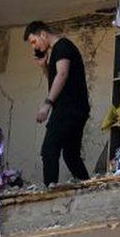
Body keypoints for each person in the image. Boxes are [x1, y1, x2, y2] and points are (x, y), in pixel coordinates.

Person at [24, 21, 91, 186]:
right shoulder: (59, 50)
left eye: (34, 41)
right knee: (70, 155)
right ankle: (88, 186)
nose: (35, 46)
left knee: (49, 149)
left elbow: (62, 75)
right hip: (76, 109)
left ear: (43, 35)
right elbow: (56, 78)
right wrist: (44, 67)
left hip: (68, 108)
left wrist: (47, 104)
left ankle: (50, 191)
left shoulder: (62, 46)